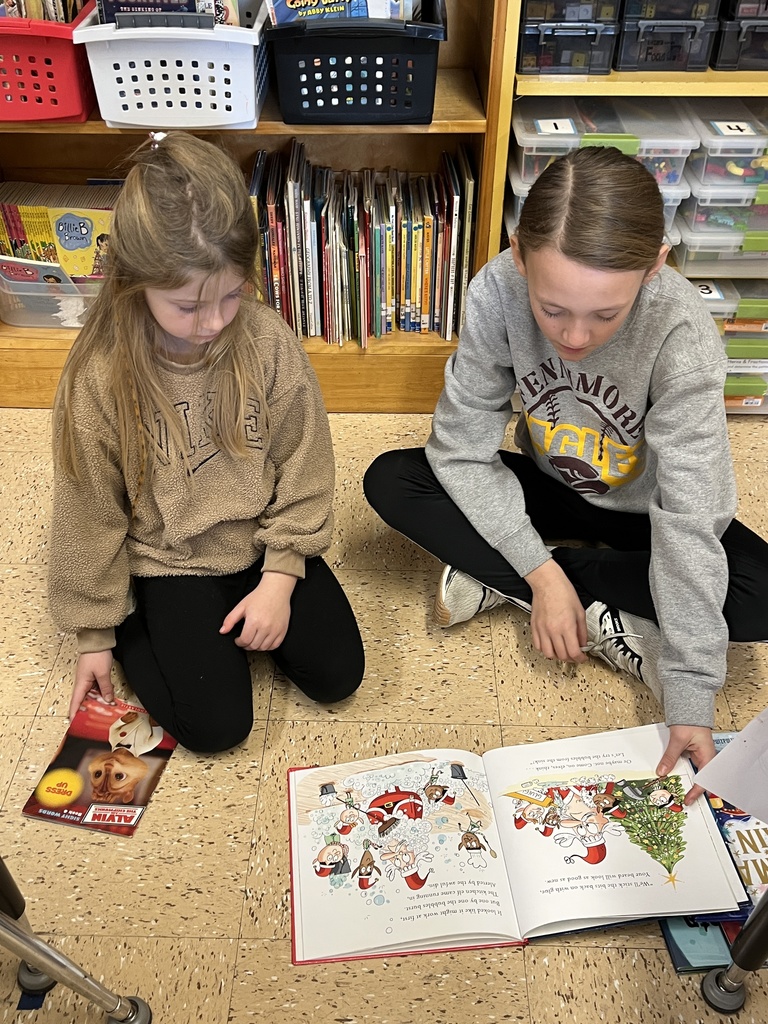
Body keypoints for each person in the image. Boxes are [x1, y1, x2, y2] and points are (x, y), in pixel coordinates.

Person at [364, 146, 768, 801]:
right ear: (520, 256)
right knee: (393, 480)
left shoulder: (684, 336)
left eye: (606, 314)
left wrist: (691, 692)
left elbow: (691, 516)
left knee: (758, 595)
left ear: (655, 266)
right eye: (553, 309)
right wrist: (541, 572)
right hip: (550, 485)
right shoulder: (496, 289)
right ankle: (560, 588)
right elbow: (461, 450)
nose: (575, 336)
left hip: (644, 509)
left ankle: (504, 583)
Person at [49, 132, 364, 753]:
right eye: (189, 306)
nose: (215, 322)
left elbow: (306, 462)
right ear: (135, 283)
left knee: (339, 676)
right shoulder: (100, 377)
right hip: (167, 562)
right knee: (218, 729)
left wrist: (280, 576)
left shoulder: (267, 341)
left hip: (258, 541)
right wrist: (95, 634)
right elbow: (88, 513)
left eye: (230, 294)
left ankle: (237, 615)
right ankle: (143, 620)